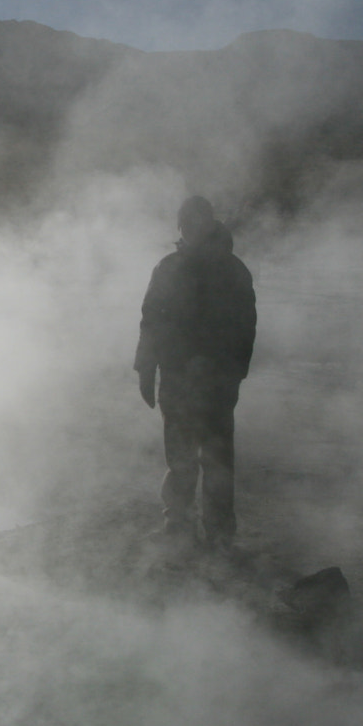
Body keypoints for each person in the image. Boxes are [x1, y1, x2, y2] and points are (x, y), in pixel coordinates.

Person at [134, 195, 256, 551]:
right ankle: (179, 523)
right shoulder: (168, 268)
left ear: (210, 223)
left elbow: (246, 328)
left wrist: (234, 375)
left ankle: (219, 533)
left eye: (196, 222)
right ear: (180, 227)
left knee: (217, 458)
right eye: (185, 224)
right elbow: (151, 321)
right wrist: (145, 368)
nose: (190, 229)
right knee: (180, 455)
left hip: (217, 382)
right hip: (176, 380)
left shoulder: (233, 271)